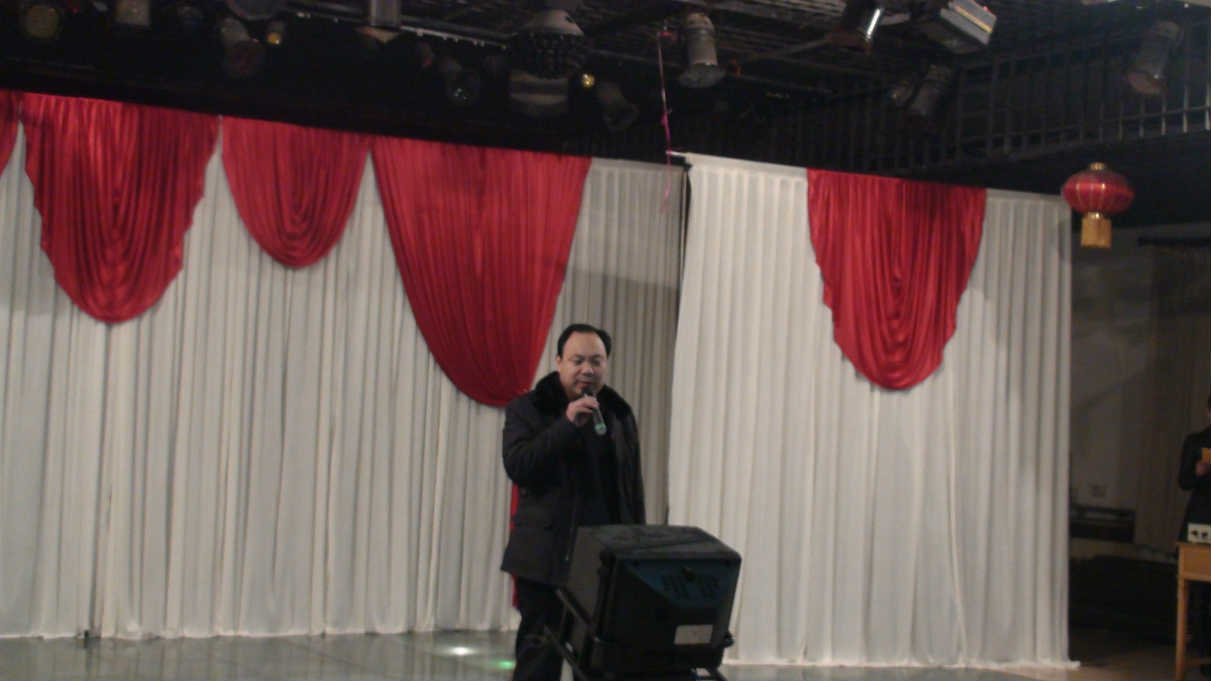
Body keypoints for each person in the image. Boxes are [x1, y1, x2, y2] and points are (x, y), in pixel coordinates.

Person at [500, 323, 645, 681]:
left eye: (596, 361)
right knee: (539, 662)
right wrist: (565, 424)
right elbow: (519, 466)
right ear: (559, 362)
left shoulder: (618, 412)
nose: (587, 370)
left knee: (599, 665)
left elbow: (631, 489)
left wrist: (636, 552)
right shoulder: (528, 408)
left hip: (601, 566)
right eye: (577, 360)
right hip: (545, 561)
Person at [1178, 391, 1211, 676]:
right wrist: (1197, 471)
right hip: (1201, 518)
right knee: (1198, 592)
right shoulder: (1196, 440)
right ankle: (1201, 650)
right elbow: (1183, 481)